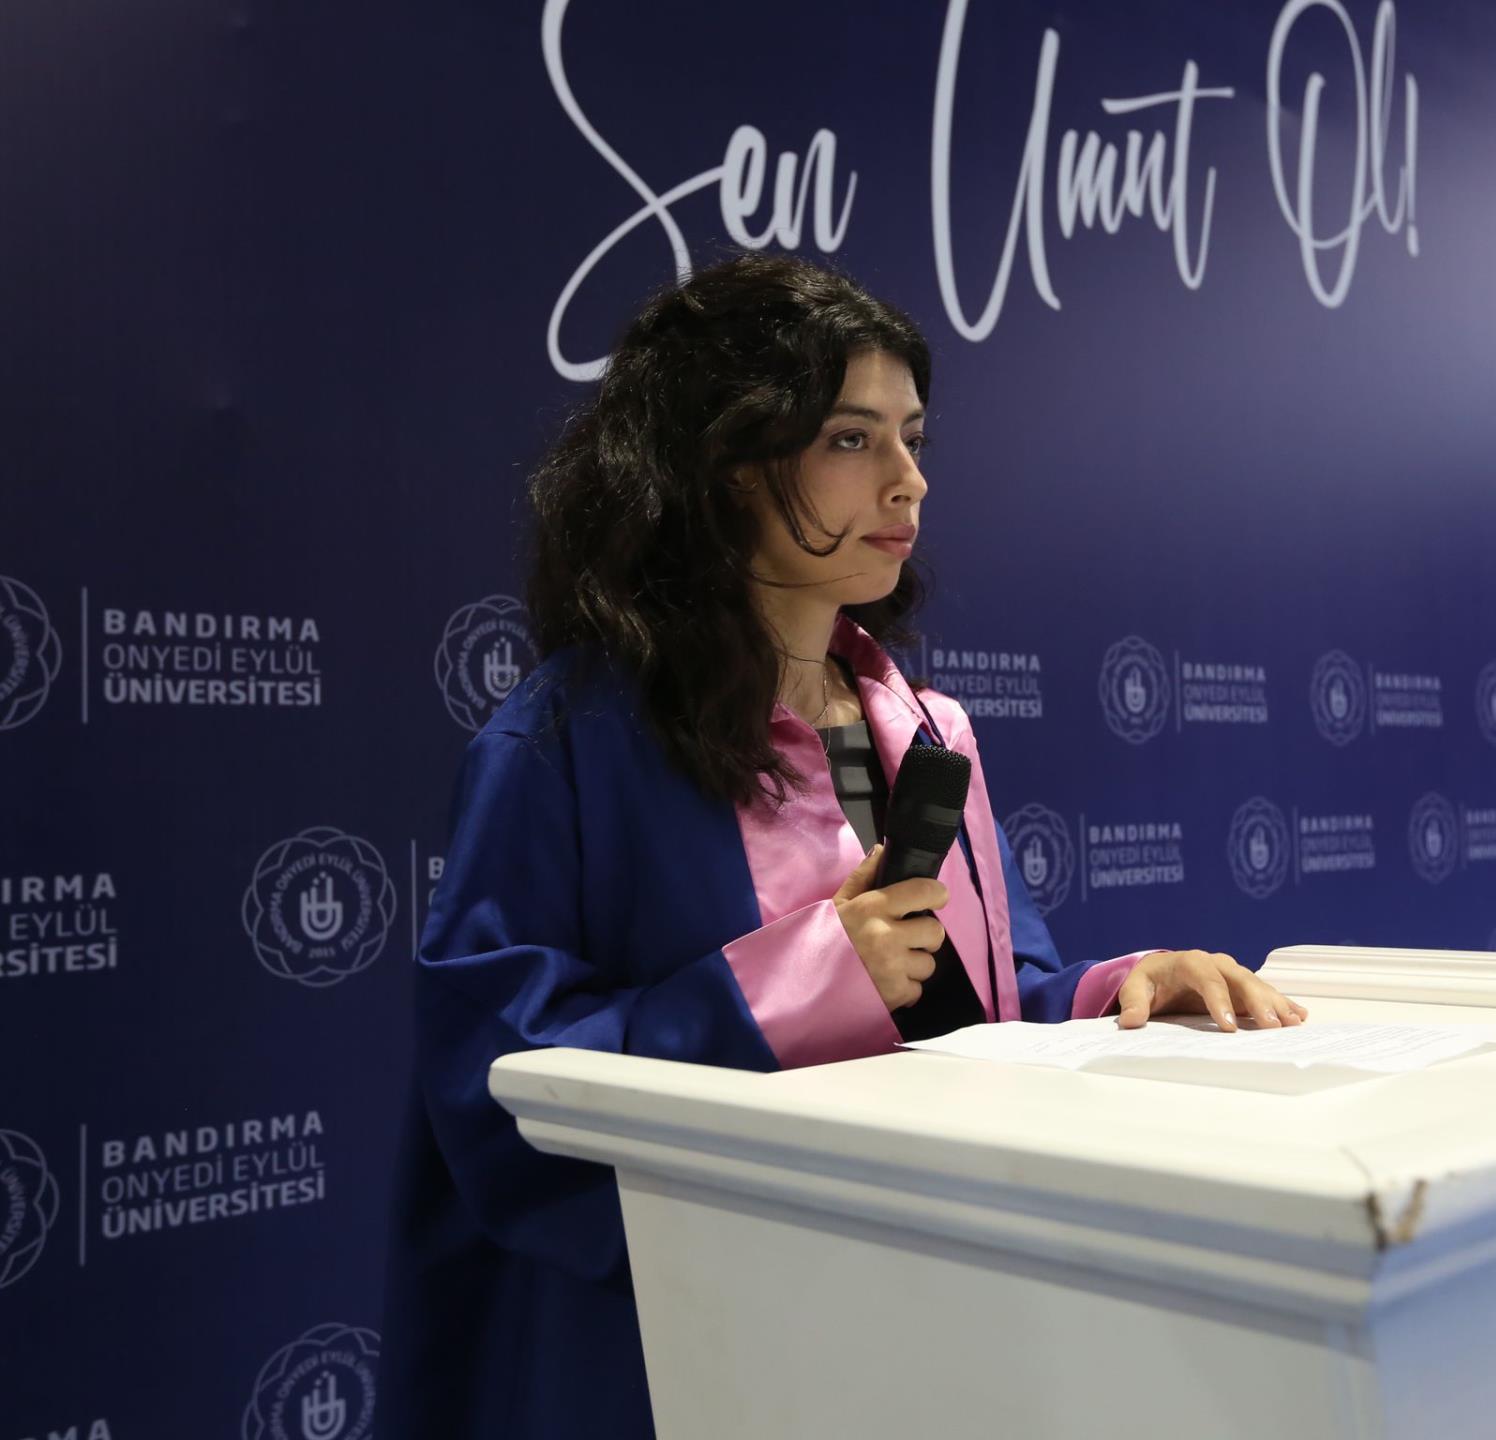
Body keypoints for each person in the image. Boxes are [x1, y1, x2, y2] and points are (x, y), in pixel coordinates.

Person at [380, 252, 1306, 1437]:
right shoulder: (570, 738)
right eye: (852, 440)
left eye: (911, 438)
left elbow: (979, 1001)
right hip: (674, 1350)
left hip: (911, 1316)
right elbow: (499, 1083)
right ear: (725, 465)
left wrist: (1123, 991)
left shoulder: (923, 725)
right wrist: (812, 978)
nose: (909, 482)